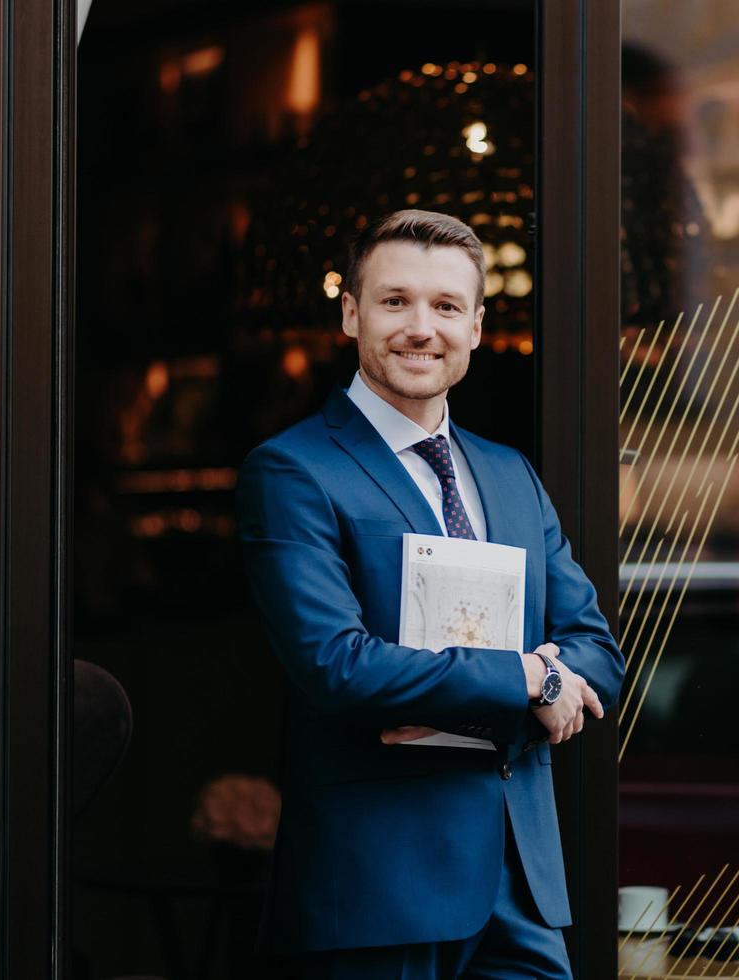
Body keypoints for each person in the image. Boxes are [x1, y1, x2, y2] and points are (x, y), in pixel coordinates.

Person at [235, 209, 625, 978]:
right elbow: (338, 665)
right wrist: (526, 677)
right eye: (394, 302)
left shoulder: (510, 473)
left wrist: (528, 676)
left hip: (521, 890)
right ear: (350, 313)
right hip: (379, 894)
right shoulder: (294, 471)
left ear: (477, 326)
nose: (422, 328)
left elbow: (597, 657)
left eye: (446, 307)